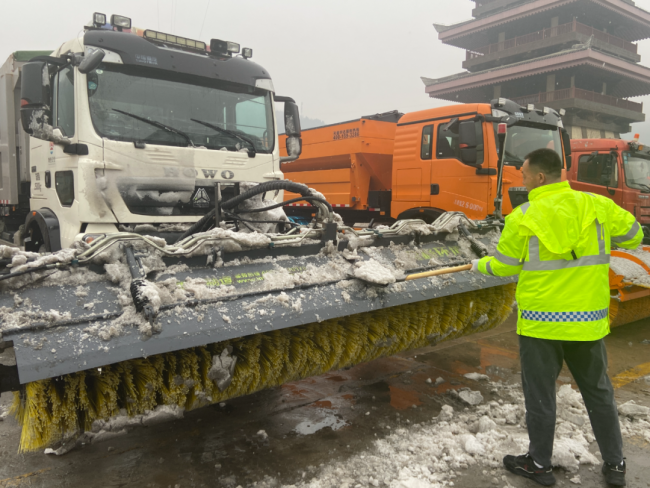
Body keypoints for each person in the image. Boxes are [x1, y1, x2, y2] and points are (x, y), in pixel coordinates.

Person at [471, 148, 642, 487]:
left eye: (522, 174)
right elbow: (635, 236)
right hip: (588, 322)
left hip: (541, 323)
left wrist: (480, 265)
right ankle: (616, 464)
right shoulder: (598, 206)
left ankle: (539, 464)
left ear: (539, 177)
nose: (520, 179)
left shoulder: (522, 216)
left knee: (540, 395)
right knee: (599, 393)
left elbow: (504, 266)